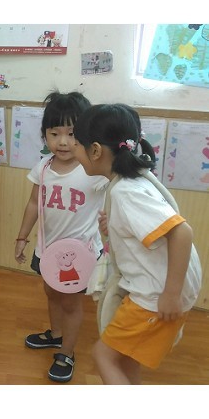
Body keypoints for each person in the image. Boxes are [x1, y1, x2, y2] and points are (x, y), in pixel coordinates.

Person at [72, 104, 202, 384]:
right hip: (155, 289)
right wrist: (116, 226)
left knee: (103, 355)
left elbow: (181, 233)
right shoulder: (133, 181)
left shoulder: (126, 192)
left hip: (154, 296)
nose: (73, 150)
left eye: (77, 144)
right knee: (125, 358)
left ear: (95, 150)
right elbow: (145, 231)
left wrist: (171, 294)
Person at [14, 91, 107, 383]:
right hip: (47, 249)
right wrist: (22, 237)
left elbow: (120, 189)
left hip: (80, 254)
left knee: (71, 304)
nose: (63, 142)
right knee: (51, 292)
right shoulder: (43, 168)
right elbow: (33, 204)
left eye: (72, 133)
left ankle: (67, 352)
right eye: (55, 134)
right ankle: (55, 335)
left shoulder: (95, 171)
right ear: (45, 135)